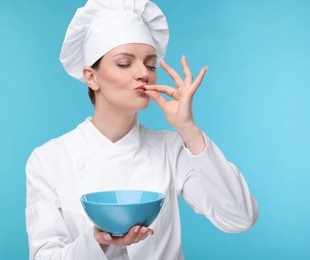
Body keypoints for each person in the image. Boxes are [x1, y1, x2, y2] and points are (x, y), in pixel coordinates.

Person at [25, 0, 259, 259]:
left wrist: (188, 128)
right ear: (91, 77)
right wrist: (99, 242)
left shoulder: (170, 149)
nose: (143, 74)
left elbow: (240, 217)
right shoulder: (49, 159)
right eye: (125, 63)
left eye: (151, 65)